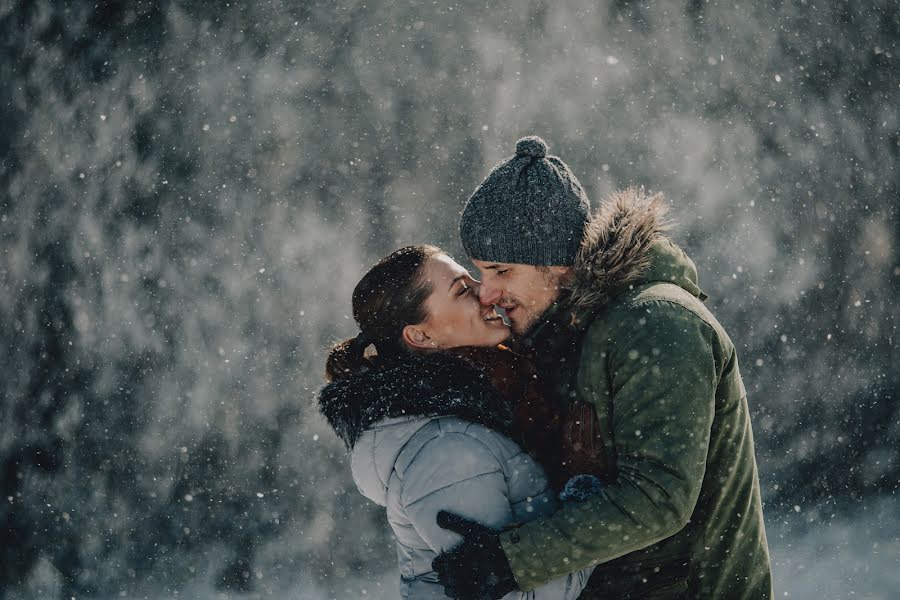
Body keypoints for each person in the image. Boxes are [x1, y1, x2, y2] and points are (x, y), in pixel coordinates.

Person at [432, 136, 773, 599]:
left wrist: (510, 560)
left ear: (559, 265)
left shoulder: (658, 324)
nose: (486, 293)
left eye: (501, 270)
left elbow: (658, 499)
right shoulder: (565, 334)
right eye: (481, 272)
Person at [317, 245, 592, 599]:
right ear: (420, 335)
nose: (485, 291)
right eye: (462, 290)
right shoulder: (445, 450)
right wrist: (587, 491)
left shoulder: (494, 397)